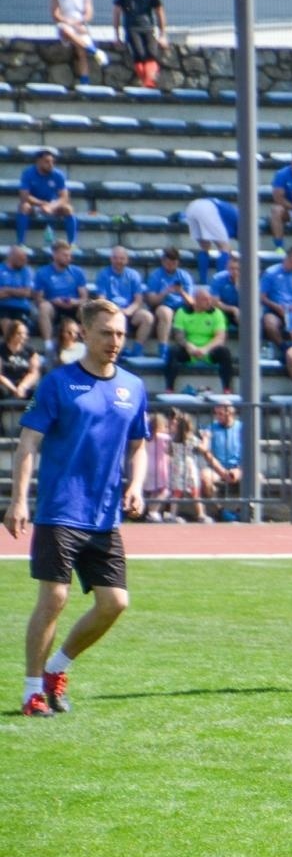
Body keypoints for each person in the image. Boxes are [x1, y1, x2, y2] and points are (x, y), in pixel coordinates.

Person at [4, 298, 148, 717]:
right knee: (55, 597)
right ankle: (32, 691)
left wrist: (137, 484)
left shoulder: (133, 387)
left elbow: (138, 446)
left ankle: (57, 668)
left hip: (104, 516)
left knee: (115, 603)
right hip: (59, 509)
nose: (114, 341)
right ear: (84, 333)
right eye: (106, 332)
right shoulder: (57, 383)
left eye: (120, 333)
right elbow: (28, 443)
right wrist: (18, 501)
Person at [164, 286, 234, 394]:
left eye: (209, 299)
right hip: (189, 349)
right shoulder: (182, 312)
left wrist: (206, 349)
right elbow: (179, 336)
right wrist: (189, 346)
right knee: (173, 352)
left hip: (209, 349)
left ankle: (227, 389)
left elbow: (220, 337)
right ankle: (169, 389)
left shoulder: (217, 313)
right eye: (205, 300)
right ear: (196, 300)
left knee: (225, 352)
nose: (209, 302)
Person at [51, 0, 110, 85]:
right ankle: (94, 51)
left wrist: (80, 23)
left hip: (80, 27)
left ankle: (85, 82)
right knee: (64, 29)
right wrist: (70, 23)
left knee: (81, 51)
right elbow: (55, 14)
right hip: (66, 25)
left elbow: (89, 14)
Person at [110, 0, 167, 87]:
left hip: (148, 27)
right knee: (139, 54)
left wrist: (163, 35)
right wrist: (116, 36)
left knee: (152, 54)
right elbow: (116, 13)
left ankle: (148, 82)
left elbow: (159, 12)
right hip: (131, 28)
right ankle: (148, 82)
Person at [17, 150, 79, 250]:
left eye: (52, 162)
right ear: (39, 161)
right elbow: (24, 196)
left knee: (68, 209)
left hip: (53, 205)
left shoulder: (58, 175)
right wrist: (42, 204)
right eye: (47, 161)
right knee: (24, 207)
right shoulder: (28, 173)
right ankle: (21, 243)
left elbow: (64, 197)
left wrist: (51, 206)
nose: (51, 164)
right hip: (35, 205)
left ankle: (72, 243)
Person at [33, 240, 88, 350]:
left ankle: (87, 344)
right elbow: (38, 299)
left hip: (73, 306)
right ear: (55, 255)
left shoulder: (77, 272)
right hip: (54, 307)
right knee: (43, 307)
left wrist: (74, 302)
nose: (68, 258)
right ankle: (48, 346)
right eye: (65, 255)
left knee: (86, 308)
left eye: (69, 255)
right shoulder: (42, 273)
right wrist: (53, 301)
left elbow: (84, 297)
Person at [95, 245, 154, 343]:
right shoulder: (103, 274)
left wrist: (128, 311)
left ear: (127, 260)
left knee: (147, 317)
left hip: (129, 311)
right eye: (116, 258)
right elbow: (101, 299)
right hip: (110, 311)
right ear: (111, 259)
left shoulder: (133, 275)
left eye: (122, 259)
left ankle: (137, 350)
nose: (119, 261)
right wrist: (113, 310)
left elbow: (138, 300)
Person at [137, 245, 190, 355]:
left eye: (173, 263)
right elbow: (151, 300)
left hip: (181, 308)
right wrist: (165, 292)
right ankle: (163, 349)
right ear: (163, 261)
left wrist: (182, 292)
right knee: (165, 312)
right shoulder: (156, 275)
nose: (170, 266)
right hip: (162, 306)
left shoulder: (184, 276)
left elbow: (192, 303)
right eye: (168, 263)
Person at [199, 399, 243, 520]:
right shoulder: (210, 428)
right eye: (216, 413)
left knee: (257, 478)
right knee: (205, 476)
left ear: (230, 413)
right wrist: (221, 471)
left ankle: (242, 510)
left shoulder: (242, 428)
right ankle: (220, 510)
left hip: (238, 468)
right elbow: (206, 452)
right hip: (216, 468)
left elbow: (249, 452)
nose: (217, 417)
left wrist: (239, 470)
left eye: (220, 414)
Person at [259, 246, 292, 346]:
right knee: (270, 324)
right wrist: (276, 307)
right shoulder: (271, 273)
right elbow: (261, 296)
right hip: (274, 310)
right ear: (286, 259)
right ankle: (282, 346)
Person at [164, 410, 208, 523]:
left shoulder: (174, 439)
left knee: (176, 492)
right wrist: (206, 438)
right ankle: (201, 514)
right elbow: (203, 448)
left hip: (177, 466)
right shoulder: (191, 438)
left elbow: (168, 452)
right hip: (189, 467)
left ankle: (173, 514)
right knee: (195, 492)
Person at [182, 196, 238, 285]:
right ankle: (221, 281)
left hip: (192, 206)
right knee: (224, 248)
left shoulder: (231, 212)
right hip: (208, 208)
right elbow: (225, 246)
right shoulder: (241, 220)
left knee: (204, 247)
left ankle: (203, 280)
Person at [1, 320, 43, 403]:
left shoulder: (30, 351)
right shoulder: (1, 349)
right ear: (11, 334)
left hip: (24, 384)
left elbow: (34, 373)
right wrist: (14, 389)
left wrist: (22, 387)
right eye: (19, 333)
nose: (23, 336)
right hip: (6, 384)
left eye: (25, 334)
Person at [0, 245, 36, 331]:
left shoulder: (27, 271)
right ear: (11, 257)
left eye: (25, 258)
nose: (25, 261)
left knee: (18, 327)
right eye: (21, 259)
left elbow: (27, 293)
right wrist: (18, 292)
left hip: (21, 308)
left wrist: (7, 290)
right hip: (2, 307)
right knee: (6, 322)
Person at [208, 253, 242, 330]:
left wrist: (239, 289)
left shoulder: (249, 280)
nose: (235, 271)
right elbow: (215, 302)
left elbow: (251, 303)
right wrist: (233, 309)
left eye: (238, 269)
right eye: (232, 268)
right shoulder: (218, 278)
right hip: (223, 310)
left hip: (242, 311)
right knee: (218, 318)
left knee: (247, 319)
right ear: (227, 267)